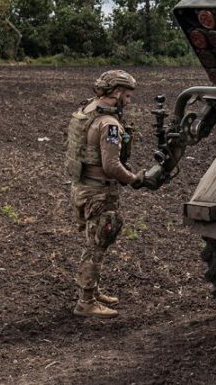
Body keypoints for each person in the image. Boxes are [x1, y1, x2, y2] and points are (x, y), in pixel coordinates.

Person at [63, 69, 151, 318]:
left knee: (93, 242)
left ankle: (93, 290)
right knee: (97, 246)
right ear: (117, 93)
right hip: (99, 193)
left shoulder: (88, 111)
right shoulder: (109, 124)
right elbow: (111, 165)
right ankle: (86, 302)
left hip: (82, 188)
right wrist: (134, 179)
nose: (129, 101)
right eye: (128, 96)